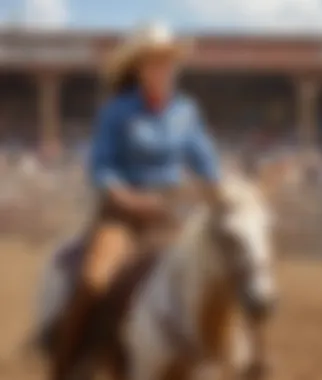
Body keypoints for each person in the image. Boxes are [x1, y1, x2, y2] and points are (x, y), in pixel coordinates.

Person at [51, 22, 221, 380]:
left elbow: (205, 161)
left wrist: (220, 188)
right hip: (123, 216)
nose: (163, 69)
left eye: (168, 61)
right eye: (155, 62)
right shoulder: (116, 110)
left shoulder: (186, 111)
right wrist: (127, 197)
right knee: (95, 280)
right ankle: (70, 364)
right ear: (139, 68)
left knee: (222, 270)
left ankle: (233, 356)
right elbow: (101, 166)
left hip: (171, 216)